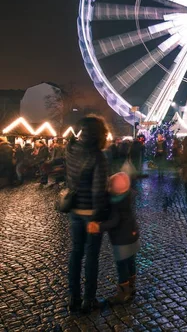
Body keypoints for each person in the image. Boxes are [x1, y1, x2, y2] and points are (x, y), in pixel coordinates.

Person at [65, 115, 110, 314]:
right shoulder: (98, 156)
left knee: (76, 254)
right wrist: (97, 217)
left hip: (74, 210)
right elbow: (98, 191)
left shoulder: (71, 150)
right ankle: (88, 300)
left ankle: (73, 298)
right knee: (91, 257)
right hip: (90, 212)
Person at [88, 172, 140, 305]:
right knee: (131, 261)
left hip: (121, 239)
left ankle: (123, 292)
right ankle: (132, 286)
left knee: (121, 265)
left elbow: (114, 221)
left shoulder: (117, 204)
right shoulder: (129, 196)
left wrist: (99, 227)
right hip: (132, 234)